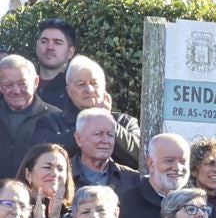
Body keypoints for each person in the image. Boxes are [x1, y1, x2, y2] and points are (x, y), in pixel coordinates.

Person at [0, 55, 67, 188]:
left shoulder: (55, 117)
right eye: (8, 84)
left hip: (38, 199)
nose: (16, 90)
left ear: (36, 82)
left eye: (22, 83)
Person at [62, 57, 141, 167]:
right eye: (81, 84)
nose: (89, 90)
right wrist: (91, 122)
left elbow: (139, 157)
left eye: (94, 83)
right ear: (69, 91)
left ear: (104, 86)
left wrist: (107, 120)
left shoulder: (126, 122)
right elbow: (53, 154)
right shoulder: (53, 122)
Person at [118, 133, 190, 218]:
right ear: (151, 163)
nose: (177, 168)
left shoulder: (202, 209)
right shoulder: (124, 206)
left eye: (183, 161)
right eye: (169, 161)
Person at [69, 107, 143, 198]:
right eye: (98, 134)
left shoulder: (132, 180)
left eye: (110, 135)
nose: (105, 140)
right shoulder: (63, 175)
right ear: (78, 138)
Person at [20, 142, 77, 218]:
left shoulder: (74, 213)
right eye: (47, 167)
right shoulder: (14, 210)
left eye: (60, 169)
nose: (55, 173)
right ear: (28, 174)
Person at [32, 20, 79, 117]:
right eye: (44, 41)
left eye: (57, 42)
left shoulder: (77, 89)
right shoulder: (22, 86)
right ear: (37, 47)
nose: (50, 47)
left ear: (70, 52)